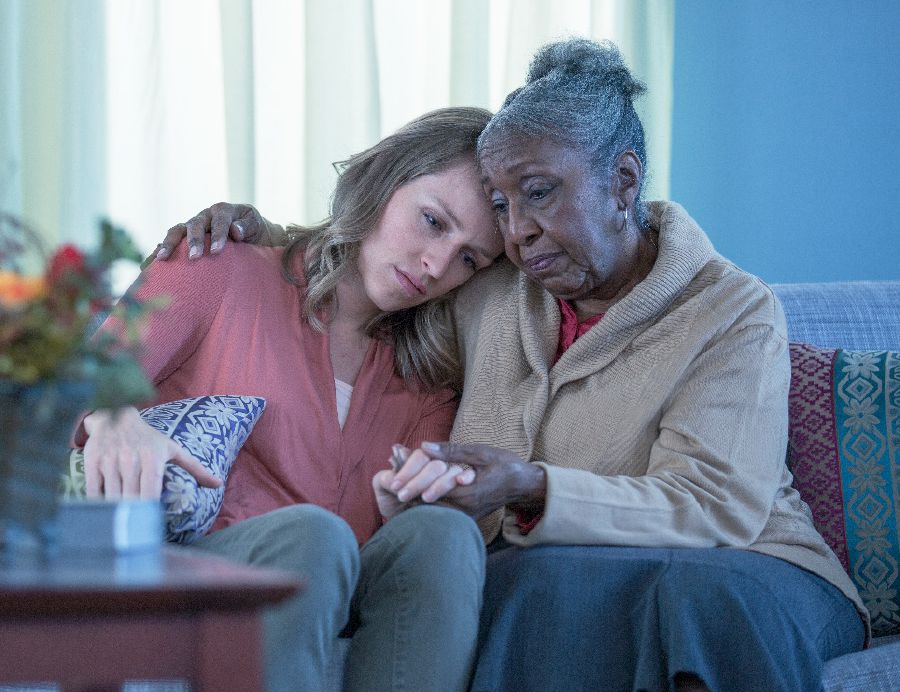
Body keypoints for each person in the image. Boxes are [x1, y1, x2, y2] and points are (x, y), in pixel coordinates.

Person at [160, 40, 868, 690]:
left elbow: (719, 508)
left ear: (623, 182)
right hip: (565, 573)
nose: (517, 231)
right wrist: (251, 231)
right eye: (501, 205)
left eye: (539, 193)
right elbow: (377, 259)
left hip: (756, 566)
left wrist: (529, 488)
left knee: (693, 598)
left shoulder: (732, 311)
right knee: (517, 585)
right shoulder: (490, 287)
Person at [79, 107, 505, 692]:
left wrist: (400, 511)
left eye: (468, 259)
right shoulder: (220, 266)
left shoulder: (429, 377)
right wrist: (113, 413)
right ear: (381, 178)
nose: (437, 265)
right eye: (432, 220)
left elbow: (392, 554)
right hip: (193, 568)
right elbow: (58, 387)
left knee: (446, 534)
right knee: (313, 533)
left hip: (342, 578)